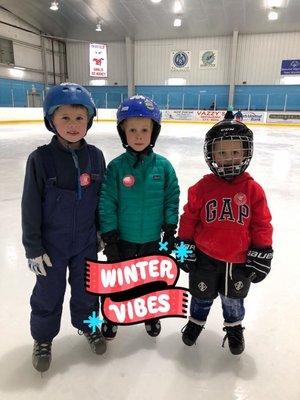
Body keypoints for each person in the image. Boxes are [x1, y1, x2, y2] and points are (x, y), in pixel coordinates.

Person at [21, 83, 107, 373]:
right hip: (51, 246)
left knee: (87, 291)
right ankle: (43, 339)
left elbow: (102, 200)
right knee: (48, 293)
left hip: (86, 242)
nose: (73, 125)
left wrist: (102, 231)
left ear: (89, 121)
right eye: (65, 118)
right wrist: (33, 247)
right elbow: (30, 206)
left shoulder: (95, 157)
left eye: (79, 118)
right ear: (51, 120)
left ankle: (90, 326)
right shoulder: (40, 160)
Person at [178, 119, 273, 355]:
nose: (228, 157)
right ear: (211, 154)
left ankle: (234, 327)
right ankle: (196, 322)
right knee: (201, 295)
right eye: (221, 152)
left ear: (245, 153)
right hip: (205, 257)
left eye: (234, 152)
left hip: (238, 260)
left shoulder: (253, 190)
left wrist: (262, 251)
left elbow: (262, 223)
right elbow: (189, 218)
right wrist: (184, 245)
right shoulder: (202, 187)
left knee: (233, 300)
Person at [98, 95, 180, 340]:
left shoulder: (164, 167)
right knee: (118, 280)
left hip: (152, 239)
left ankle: (150, 313)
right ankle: (111, 315)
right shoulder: (115, 167)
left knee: (152, 280)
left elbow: (171, 197)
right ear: (123, 132)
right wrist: (110, 237)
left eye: (145, 129)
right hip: (123, 238)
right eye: (132, 129)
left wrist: (169, 227)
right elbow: (107, 201)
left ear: (154, 132)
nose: (138, 135)